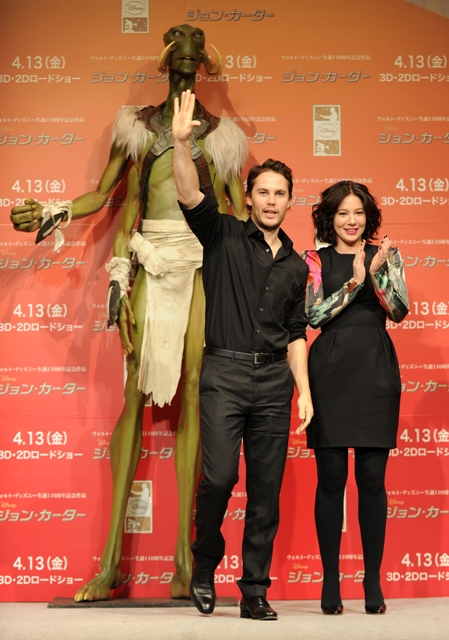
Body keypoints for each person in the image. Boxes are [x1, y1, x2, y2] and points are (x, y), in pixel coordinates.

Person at [10, 24, 248, 602]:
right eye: (179, 53)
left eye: (194, 54)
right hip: (150, 260)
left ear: (204, 65)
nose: (186, 62)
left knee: (194, 391)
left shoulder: (221, 139)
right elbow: (109, 197)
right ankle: (111, 562)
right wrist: (56, 211)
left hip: (201, 267)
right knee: (134, 396)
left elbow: (238, 217)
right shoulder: (137, 128)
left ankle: (185, 562)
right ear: (167, 61)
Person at [172, 90, 313, 620]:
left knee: (266, 491)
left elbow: (296, 332)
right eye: (263, 192)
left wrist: (303, 391)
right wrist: (181, 145)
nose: (271, 200)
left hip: (276, 383)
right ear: (248, 199)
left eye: (281, 193)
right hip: (225, 374)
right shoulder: (223, 235)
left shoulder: (297, 266)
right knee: (219, 478)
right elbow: (189, 193)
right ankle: (205, 564)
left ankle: (254, 589)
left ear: (290, 201)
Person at [302, 181, 409, 615]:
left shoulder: (387, 254)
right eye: (343, 213)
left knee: (372, 481)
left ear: (369, 217)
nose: (352, 221)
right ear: (331, 217)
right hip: (329, 371)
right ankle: (330, 580)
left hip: (374, 371)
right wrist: (354, 282)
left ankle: (372, 581)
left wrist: (378, 274)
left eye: (359, 212)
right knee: (331, 480)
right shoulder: (314, 259)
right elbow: (313, 315)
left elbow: (398, 310)